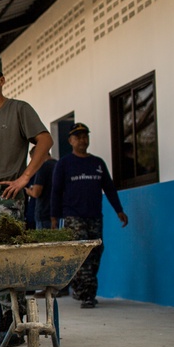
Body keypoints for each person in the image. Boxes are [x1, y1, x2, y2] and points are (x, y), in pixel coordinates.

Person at [0, 56, 52, 345]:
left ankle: (15, 322)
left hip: (6, 198)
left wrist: (25, 178)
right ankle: (2, 319)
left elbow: (45, 140)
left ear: (1, 80)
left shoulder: (18, 110)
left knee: (6, 262)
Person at [51, 123, 129, 308]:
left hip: (94, 216)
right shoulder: (64, 164)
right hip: (73, 217)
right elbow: (56, 191)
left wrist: (119, 210)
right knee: (82, 253)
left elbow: (109, 188)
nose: (82, 140)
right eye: (77, 137)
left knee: (95, 253)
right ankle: (87, 294)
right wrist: (54, 217)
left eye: (85, 136)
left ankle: (80, 287)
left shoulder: (97, 163)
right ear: (70, 141)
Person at [26, 148, 57, 230]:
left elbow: (36, 193)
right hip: (57, 213)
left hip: (44, 213)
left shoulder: (43, 167)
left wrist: (28, 191)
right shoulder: (58, 165)